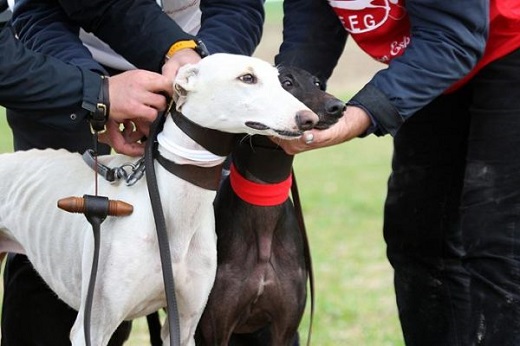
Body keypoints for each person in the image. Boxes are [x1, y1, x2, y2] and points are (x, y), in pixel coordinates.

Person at [3, 0, 264, 344]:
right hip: (63, 55)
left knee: (219, 243)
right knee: (50, 230)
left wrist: (200, 73)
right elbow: (50, 11)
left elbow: (237, 7)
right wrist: (94, 92)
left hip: (192, 67)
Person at [274, 1, 520, 345]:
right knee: (419, 236)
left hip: (507, 44)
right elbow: (313, 19)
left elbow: (453, 38)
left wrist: (359, 116)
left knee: (500, 242)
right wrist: (287, 98)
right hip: (426, 56)